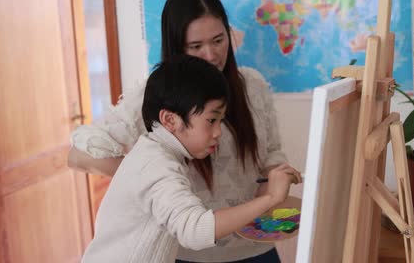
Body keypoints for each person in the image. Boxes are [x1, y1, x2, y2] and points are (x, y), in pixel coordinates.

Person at [68, 0, 298, 262]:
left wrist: (271, 181)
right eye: (196, 46)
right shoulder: (155, 106)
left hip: (255, 245)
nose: (211, 55)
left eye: (218, 40)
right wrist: (156, 179)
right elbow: (78, 155)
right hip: (193, 253)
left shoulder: (252, 86)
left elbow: (271, 151)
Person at [81, 57, 300, 263]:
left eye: (220, 121)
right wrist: (270, 198)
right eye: (212, 120)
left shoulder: (158, 152)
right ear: (170, 120)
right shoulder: (156, 165)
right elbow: (194, 230)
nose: (218, 133)